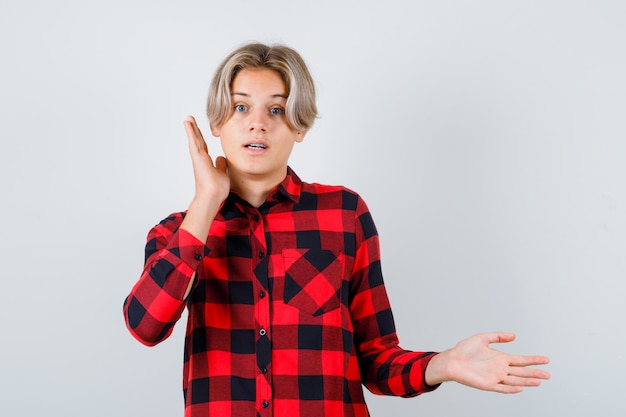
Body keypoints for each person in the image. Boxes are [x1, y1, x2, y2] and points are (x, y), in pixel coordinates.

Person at [123, 42, 550, 417]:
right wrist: (205, 203)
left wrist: (445, 364)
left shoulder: (344, 213)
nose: (258, 123)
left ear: (300, 126)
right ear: (217, 124)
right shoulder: (179, 232)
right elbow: (145, 326)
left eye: (276, 109)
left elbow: (375, 360)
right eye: (240, 107)